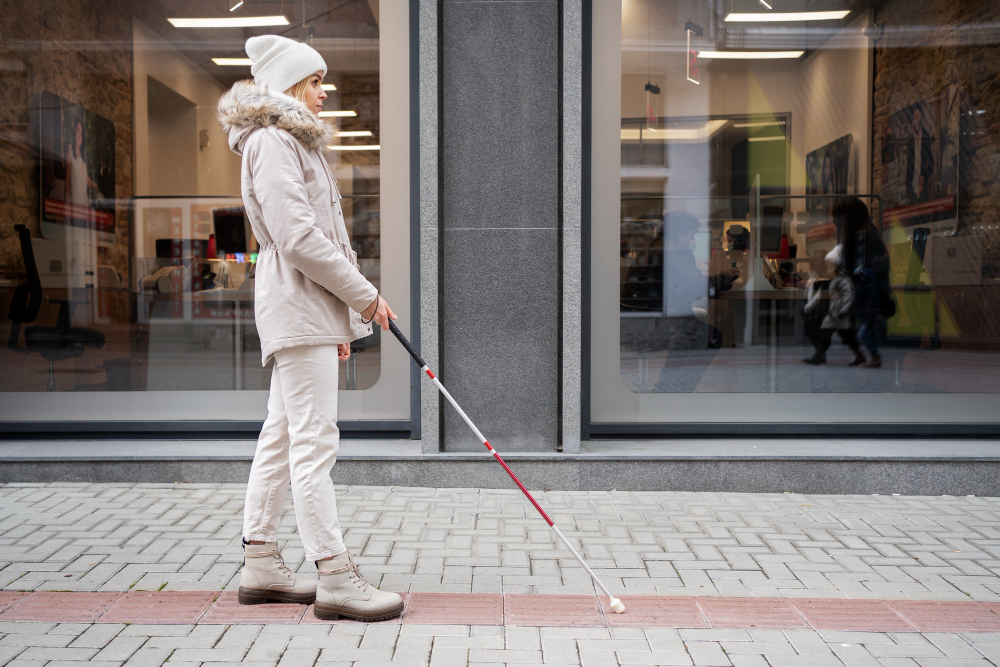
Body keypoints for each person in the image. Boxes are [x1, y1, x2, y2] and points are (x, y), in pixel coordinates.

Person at [217, 34, 403, 622]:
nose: (325, 92)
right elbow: (298, 239)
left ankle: (262, 562)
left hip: (306, 311)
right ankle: (335, 574)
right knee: (314, 444)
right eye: (315, 81)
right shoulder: (273, 141)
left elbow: (311, 239)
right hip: (297, 306)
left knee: (282, 435)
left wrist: (341, 317)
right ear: (290, 86)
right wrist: (365, 297)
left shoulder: (286, 141)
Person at [833, 197, 891, 368]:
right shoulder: (873, 238)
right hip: (872, 295)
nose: (834, 222)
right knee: (865, 329)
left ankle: (868, 354)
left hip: (864, 296)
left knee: (838, 318)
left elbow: (850, 271)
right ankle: (870, 355)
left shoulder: (856, 240)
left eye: (837, 218)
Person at [802, 245, 865, 366]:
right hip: (832, 312)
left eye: (828, 262)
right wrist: (808, 307)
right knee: (847, 336)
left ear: (834, 263)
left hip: (836, 313)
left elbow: (848, 295)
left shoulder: (841, 278)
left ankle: (819, 356)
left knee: (823, 333)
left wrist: (844, 310)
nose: (826, 264)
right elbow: (821, 295)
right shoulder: (829, 277)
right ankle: (860, 355)